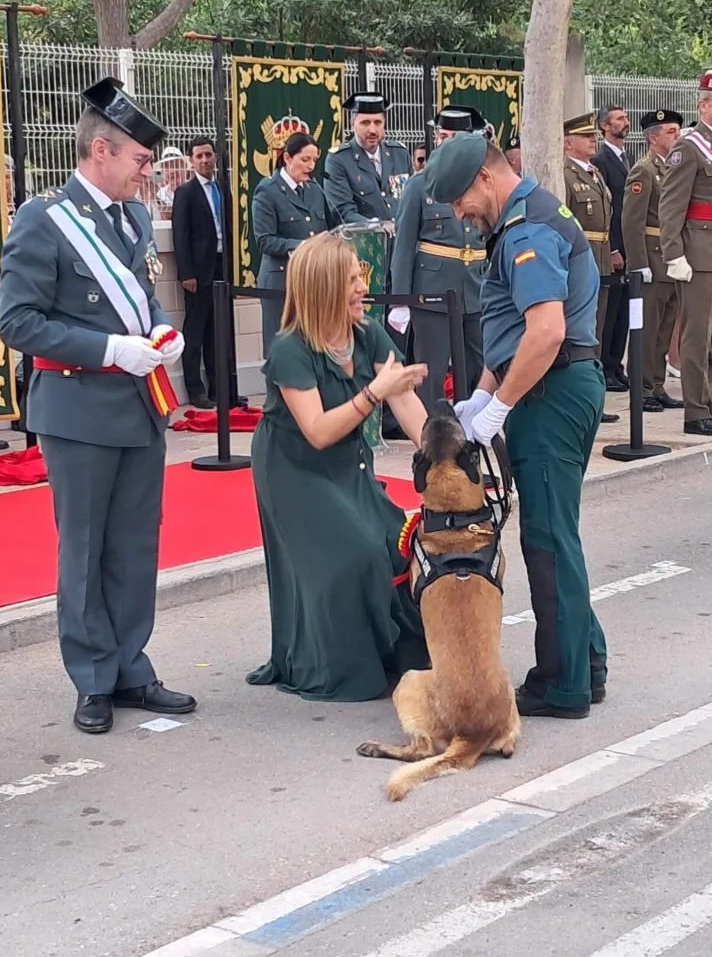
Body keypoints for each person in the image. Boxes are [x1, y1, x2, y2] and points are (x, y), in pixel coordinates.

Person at [0, 77, 196, 734]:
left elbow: (140, 298)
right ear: (101, 150)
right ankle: (92, 678)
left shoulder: (133, 218)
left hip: (140, 403)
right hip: (78, 407)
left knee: (136, 544)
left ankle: (130, 667)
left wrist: (163, 329)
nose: (149, 175)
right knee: (83, 548)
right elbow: (18, 323)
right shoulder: (42, 218)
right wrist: (110, 349)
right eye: (143, 162)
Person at [427, 132, 607, 719]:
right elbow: (509, 326)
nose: (458, 215)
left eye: (459, 202)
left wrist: (500, 405)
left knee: (549, 541)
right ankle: (590, 663)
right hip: (548, 387)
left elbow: (546, 331)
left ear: (485, 176)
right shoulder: (515, 223)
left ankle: (562, 683)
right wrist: (480, 397)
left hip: (549, 392)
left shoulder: (524, 231)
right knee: (558, 532)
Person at [246, 232, 430, 702]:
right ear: (324, 287)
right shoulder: (290, 348)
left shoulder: (366, 333)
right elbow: (318, 430)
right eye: (351, 280)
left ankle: (390, 652)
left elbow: (405, 399)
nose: (361, 289)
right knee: (355, 555)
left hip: (346, 461)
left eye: (360, 277)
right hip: (293, 468)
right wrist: (375, 393)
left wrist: (442, 456)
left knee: (394, 544)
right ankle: (336, 665)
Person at [389, 106, 489, 411]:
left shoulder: (480, 181)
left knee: (479, 364)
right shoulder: (420, 184)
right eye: (441, 136)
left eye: (453, 137)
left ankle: (474, 428)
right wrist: (401, 298)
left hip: (475, 286)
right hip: (432, 288)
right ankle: (432, 432)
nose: (445, 143)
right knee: (430, 369)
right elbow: (404, 244)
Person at [252, 132, 338, 357]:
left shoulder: (315, 190)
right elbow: (265, 240)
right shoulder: (267, 190)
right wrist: (306, 246)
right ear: (287, 158)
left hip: (311, 280)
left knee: (312, 346)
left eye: (314, 160)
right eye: (305, 160)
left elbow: (332, 226)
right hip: (281, 280)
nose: (310, 166)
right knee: (281, 348)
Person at [659, 70, 712, 435]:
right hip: (698, 251)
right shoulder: (689, 147)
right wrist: (674, 253)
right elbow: (671, 205)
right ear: (704, 104)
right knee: (697, 335)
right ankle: (696, 410)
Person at [621, 110, 684, 413]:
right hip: (652, 258)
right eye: (671, 131)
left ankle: (657, 385)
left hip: (671, 259)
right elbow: (632, 221)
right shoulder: (644, 171)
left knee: (664, 329)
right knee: (647, 330)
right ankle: (642, 387)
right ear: (653, 137)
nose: (678, 136)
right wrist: (638, 262)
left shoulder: (673, 168)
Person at [563, 112, 619, 423]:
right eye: (586, 137)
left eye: (592, 136)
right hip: (580, 259)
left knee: (597, 330)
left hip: (599, 258)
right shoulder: (565, 173)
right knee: (580, 332)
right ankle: (578, 396)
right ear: (568, 142)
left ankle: (593, 396)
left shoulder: (594, 173)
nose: (592, 140)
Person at [172, 136, 230, 408]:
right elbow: (180, 236)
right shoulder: (187, 192)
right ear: (191, 160)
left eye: (208, 155)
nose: (205, 160)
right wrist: (187, 274)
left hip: (221, 266)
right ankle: (195, 390)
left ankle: (219, 388)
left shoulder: (222, 188)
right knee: (195, 332)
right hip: (198, 271)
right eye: (199, 156)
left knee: (217, 332)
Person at [323, 93, 413, 225]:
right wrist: (376, 226)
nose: (372, 130)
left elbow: (413, 200)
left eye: (378, 123)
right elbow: (343, 211)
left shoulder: (399, 153)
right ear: (353, 124)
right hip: (365, 240)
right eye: (365, 123)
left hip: (402, 239)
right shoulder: (339, 159)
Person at [593, 105, 632, 392]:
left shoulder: (626, 158)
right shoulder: (601, 160)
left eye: (626, 118)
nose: (625, 122)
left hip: (630, 246)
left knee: (624, 314)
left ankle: (616, 365)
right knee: (609, 312)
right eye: (619, 119)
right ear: (605, 126)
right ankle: (605, 366)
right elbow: (607, 210)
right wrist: (614, 249)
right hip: (614, 247)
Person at [155, 145, 189, 215]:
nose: (172, 171)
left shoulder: (194, 189)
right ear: (162, 171)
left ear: (184, 168)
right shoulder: (160, 194)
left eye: (176, 166)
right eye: (167, 167)